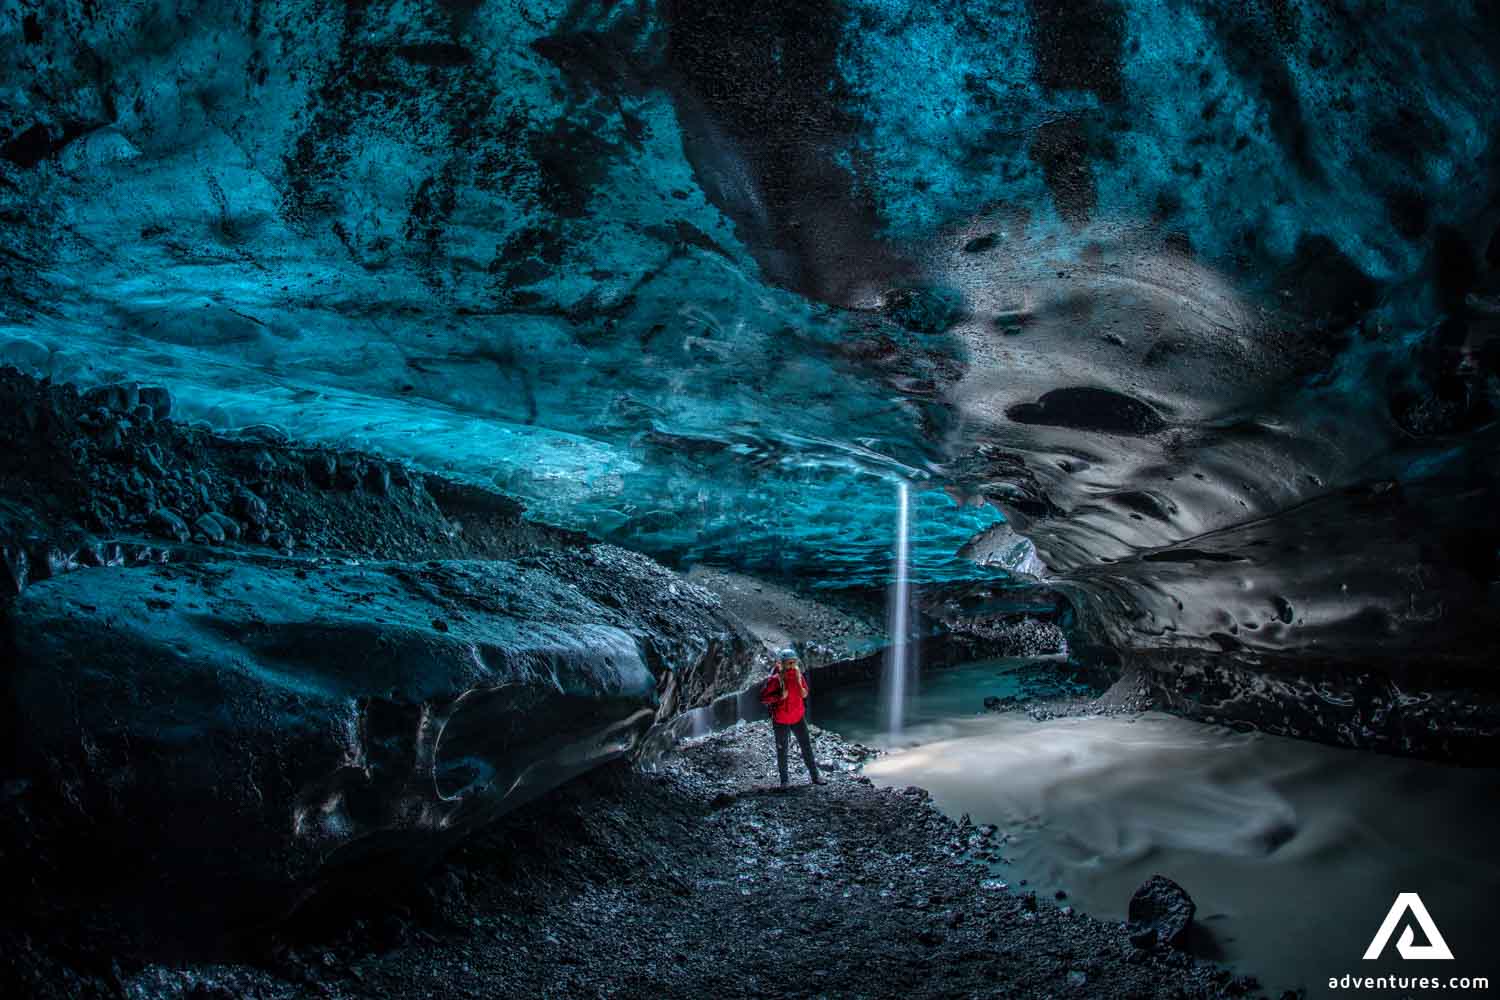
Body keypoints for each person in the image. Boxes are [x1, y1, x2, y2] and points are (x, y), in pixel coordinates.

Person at [768, 648, 825, 789]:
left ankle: (815, 776)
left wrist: (803, 691)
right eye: (789, 662)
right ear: (782, 663)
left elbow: (805, 692)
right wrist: (779, 697)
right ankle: (784, 781)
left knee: (806, 746)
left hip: (797, 717)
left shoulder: (798, 675)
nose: (792, 665)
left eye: (794, 662)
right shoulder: (775, 679)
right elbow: (763, 697)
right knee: (782, 750)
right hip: (781, 719)